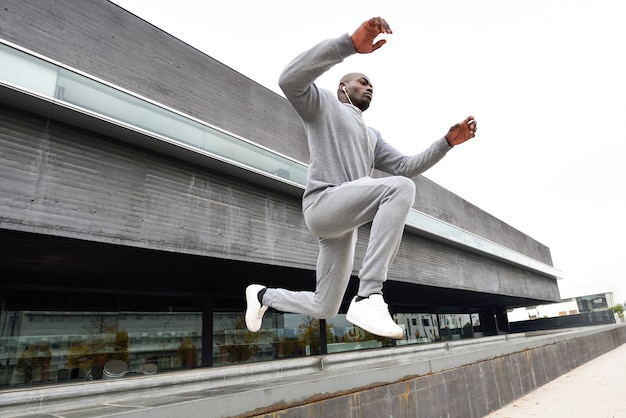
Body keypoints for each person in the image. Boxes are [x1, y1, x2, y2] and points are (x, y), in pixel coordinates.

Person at [245, 17, 477, 339]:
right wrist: (348, 46)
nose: (369, 88)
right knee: (399, 189)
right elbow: (288, 80)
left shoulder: (372, 136)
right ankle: (369, 294)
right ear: (344, 87)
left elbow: (406, 166)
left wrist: (446, 143)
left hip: (342, 224)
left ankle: (262, 296)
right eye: (363, 82)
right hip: (323, 203)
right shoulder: (323, 105)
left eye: (372, 87)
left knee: (325, 306)